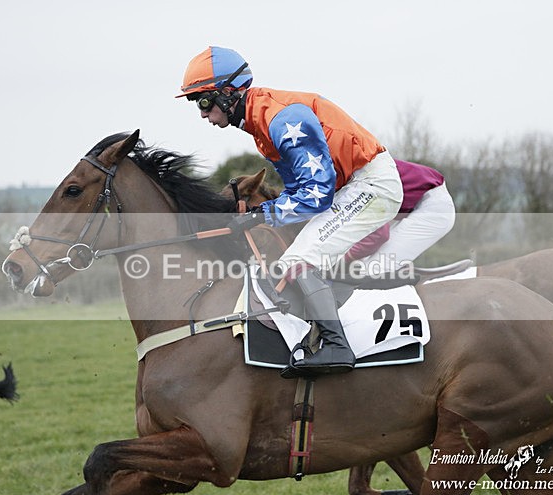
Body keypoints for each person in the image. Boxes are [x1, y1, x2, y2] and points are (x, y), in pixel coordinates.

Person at [177, 46, 453, 377]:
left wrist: (263, 214)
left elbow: (318, 193)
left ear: (229, 92)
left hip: (370, 186)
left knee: (298, 262)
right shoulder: (262, 121)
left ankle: (338, 347)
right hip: (355, 187)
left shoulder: (281, 119)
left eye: (204, 101)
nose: (203, 113)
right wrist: (260, 213)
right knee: (307, 261)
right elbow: (299, 190)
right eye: (197, 104)